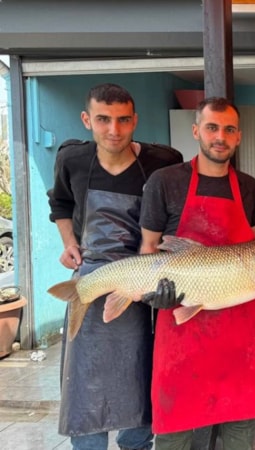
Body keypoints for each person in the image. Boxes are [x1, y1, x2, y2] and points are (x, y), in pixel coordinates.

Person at [48, 83, 183, 450]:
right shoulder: (73, 160)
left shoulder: (162, 162)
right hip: (91, 278)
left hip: (142, 276)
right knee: (85, 382)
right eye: (104, 120)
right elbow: (59, 202)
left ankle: (136, 443)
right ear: (86, 119)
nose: (114, 130)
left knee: (137, 375)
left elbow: (172, 218)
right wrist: (68, 242)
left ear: (134, 120)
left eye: (123, 120)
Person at [138, 97, 255, 450]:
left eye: (229, 129)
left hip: (240, 327)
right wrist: (156, 292)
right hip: (183, 327)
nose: (220, 136)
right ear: (196, 130)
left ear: (239, 136)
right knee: (175, 429)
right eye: (212, 127)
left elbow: (252, 249)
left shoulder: (247, 186)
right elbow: (148, 248)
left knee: (241, 426)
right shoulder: (164, 181)